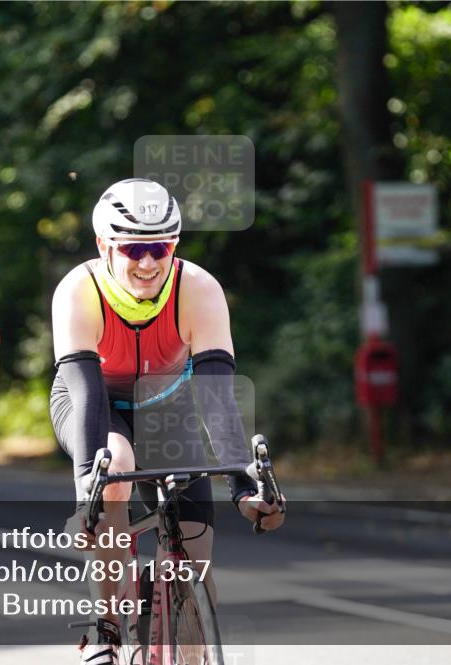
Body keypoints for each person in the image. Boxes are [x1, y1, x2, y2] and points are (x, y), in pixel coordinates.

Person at [50, 178, 285, 664]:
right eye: (134, 248)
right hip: (94, 405)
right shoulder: (79, 290)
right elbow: (89, 396)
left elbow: (217, 398)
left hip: (167, 410)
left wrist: (245, 486)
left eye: (160, 247)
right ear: (104, 246)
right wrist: (87, 501)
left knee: (197, 566)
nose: (148, 262)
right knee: (114, 464)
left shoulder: (198, 289)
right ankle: (107, 625)